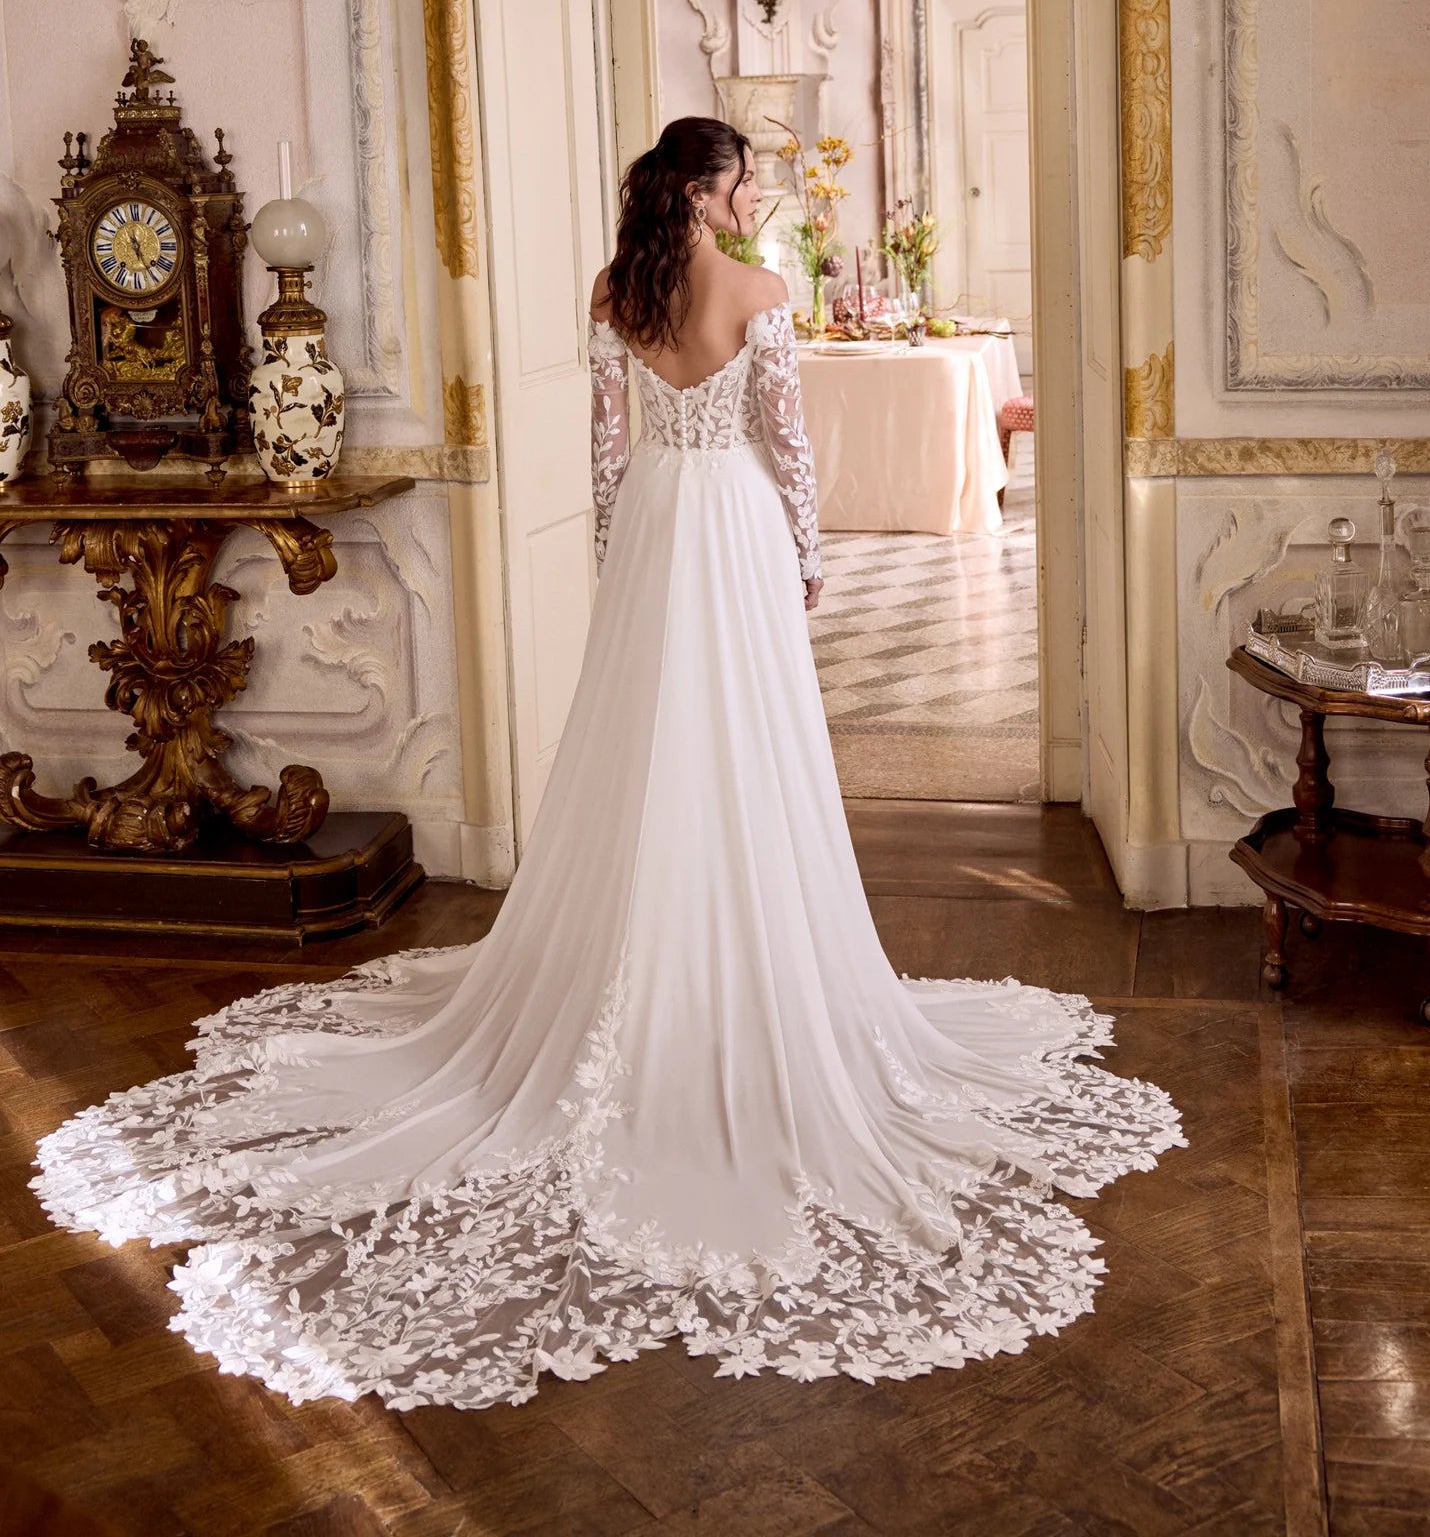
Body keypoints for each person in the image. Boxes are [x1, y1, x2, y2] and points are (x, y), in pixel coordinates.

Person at [32, 115, 1184, 1412]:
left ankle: (645, 946)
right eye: (743, 178)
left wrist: (614, 557)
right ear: (705, 187)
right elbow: (790, 448)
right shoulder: (759, 292)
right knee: (743, 740)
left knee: (649, 743)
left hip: (653, 526)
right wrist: (805, 552)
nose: (755, 196)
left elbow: (604, 449)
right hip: (736, 523)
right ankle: (737, 952)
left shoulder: (613, 290)